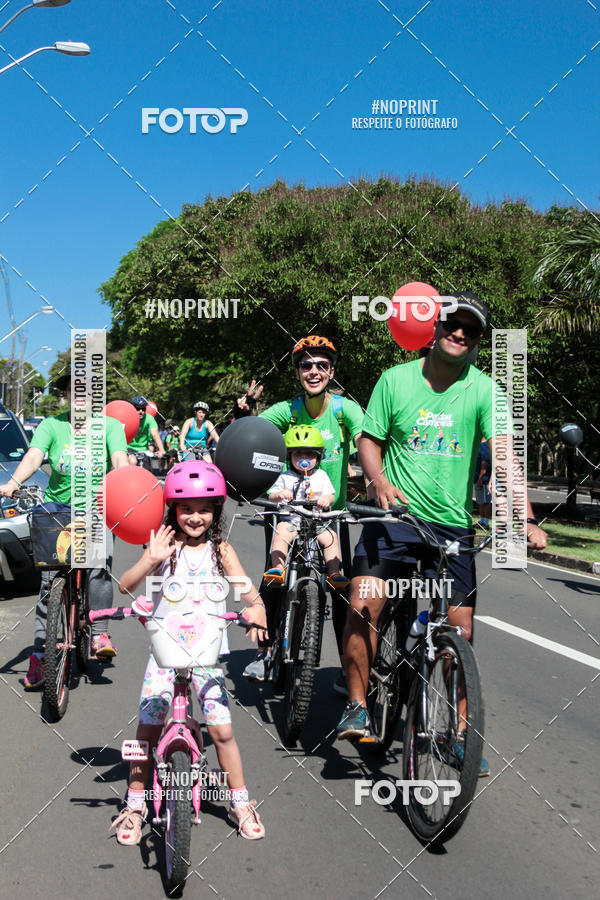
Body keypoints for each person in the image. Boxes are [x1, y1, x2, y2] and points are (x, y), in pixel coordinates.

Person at [336, 292, 547, 777]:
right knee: (364, 602)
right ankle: (356, 702)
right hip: (393, 518)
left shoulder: (485, 389)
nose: (459, 334)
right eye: (452, 324)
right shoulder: (396, 380)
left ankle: (456, 735)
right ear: (433, 328)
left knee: (461, 633)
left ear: (477, 342)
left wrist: (526, 518)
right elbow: (370, 439)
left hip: (452, 526)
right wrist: (379, 482)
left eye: (471, 330)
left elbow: (506, 457)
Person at [111, 460, 268, 845]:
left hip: (207, 654)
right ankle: (134, 802)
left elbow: (247, 591)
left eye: (204, 509)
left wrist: (257, 610)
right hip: (165, 654)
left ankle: (240, 801)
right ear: (172, 510)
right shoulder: (164, 547)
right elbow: (125, 587)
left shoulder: (222, 551)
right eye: (185, 509)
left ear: (216, 511)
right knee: (147, 729)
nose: (195, 517)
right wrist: (150, 559)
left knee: (223, 731)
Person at [233, 336, 364, 689]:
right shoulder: (287, 410)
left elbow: (370, 439)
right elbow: (252, 432)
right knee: (273, 579)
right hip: (286, 508)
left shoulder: (344, 410)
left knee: (341, 591)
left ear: (332, 372)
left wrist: (374, 475)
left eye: (322, 365)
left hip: (330, 515)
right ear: (297, 373)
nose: (314, 371)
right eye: (306, 365)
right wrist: (246, 412)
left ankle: (348, 671)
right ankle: (265, 651)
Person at [0, 368, 129, 687]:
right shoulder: (51, 425)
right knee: (48, 581)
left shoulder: (111, 426)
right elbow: (34, 456)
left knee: (98, 569)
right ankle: (41, 657)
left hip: (98, 510)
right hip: (58, 509)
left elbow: (120, 460)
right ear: (67, 394)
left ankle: (99, 634)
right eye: (75, 390)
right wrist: (12, 482)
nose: (81, 396)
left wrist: (124, 483)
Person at [265, 426, 349, 589]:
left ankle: (334, 572)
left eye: (310, 454)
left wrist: (326, 499)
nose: (304, 459)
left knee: (331, 538)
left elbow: (331, 495)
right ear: (289, 456)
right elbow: (271, 495)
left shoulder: (321, 476)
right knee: (281, 533)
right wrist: (281, 494)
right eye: (298, 454)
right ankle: (277, 568)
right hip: (292, 521)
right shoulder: (285, 476)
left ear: (318, 456)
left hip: (316, 522)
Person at [127, 396, 165, 465]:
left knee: (147, 469)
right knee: (133, 461)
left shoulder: (149, 419)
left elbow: (155, 434)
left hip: (144, 449)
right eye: (138, 409)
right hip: (129, 448)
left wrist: (161, 449)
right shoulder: (128, 417)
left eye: (143, 409)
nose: (141, 411)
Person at [474, 438, 492, 530]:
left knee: (486, 501)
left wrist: (480, 478)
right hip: (477, 478)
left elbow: (484, 463)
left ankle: (485, 522)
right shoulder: (479, 445)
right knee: (481, 501)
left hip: (484, 479)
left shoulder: (485, 446)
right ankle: (482, 521)